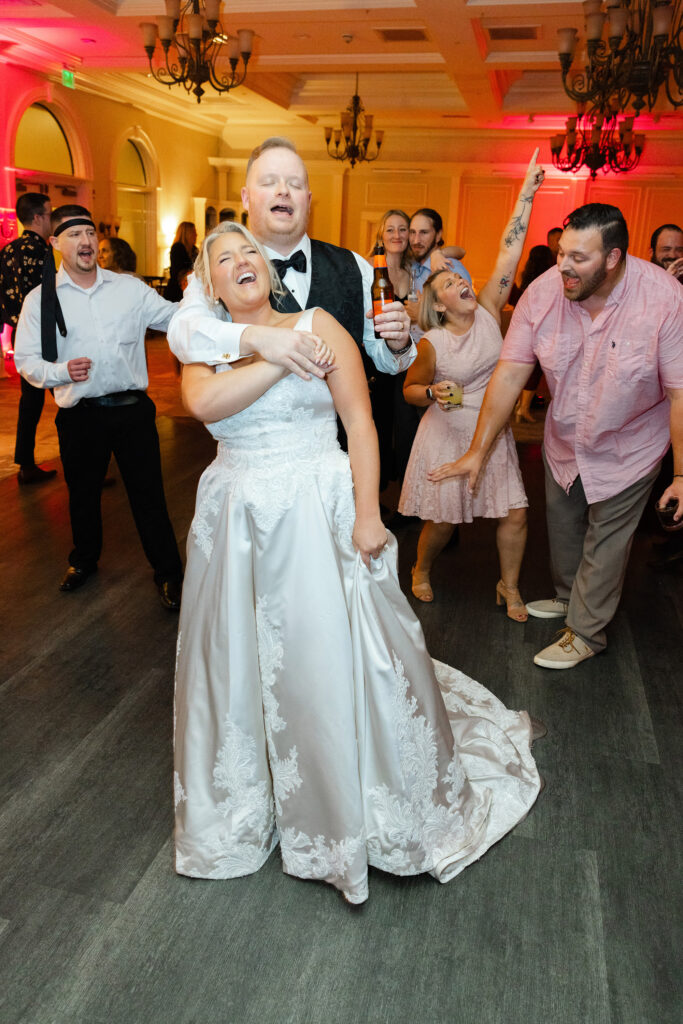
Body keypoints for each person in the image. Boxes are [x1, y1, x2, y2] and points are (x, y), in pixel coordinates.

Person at [172, 220, 541, 904]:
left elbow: (361, 420)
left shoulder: (319, 321)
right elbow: (200, 402)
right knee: (239, 657)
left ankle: (342, 799)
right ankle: (257, 797)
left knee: (322, 653)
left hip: (318, 504)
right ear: (212, 285)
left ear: (269, 267)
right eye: (225, 258)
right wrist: (276, 353)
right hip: (235, 516)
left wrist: (369, 512)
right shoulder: (204, 341)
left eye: (249, 249)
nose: (241, 259)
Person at [430, 203, 683, 669]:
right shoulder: (543, 293)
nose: (563, 265)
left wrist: (682, 475)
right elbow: (509, 374)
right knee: (564, 524)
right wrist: (476, 450)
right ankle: (570, 599)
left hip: (632, 443)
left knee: (607, 537)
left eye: (579, 258)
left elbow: (680, 391)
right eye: (562, 252)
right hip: (564, 436)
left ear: (612, 258)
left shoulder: (664, 299)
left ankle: (586, 632)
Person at [14, 204, 184, 610]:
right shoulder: (41, 299)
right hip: (80, 416)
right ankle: (84, 560)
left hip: (133, 411)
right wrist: (60, 371)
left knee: (150, 497)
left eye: (89, 233)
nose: (85, 241)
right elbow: (26, 360)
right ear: (55, 243)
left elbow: (174, 318)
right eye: (74, 235)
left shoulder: (129, 288)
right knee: (82, 495)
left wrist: (202, 294)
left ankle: (169, 575)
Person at [398, 151, 545, 616]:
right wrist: (431, 392)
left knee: (515, 511)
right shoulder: (432, 343)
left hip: (491, 428)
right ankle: (421, 569)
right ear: (438, 305)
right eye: (446, 283)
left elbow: (510, 251)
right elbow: (410, 390)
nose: (459, 281)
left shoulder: (488, 312)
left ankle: (510, 586)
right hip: (446, 434)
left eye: (459, 277)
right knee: (443, 522)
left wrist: (527, 192)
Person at [167, 138, 413, 379]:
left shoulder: (355, 266)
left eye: (295, 184)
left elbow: (387, 361)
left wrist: (397, 342)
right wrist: (254, 338)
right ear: (245, 198)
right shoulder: (219, 271)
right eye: (269, 182)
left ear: (307, 201)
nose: (283, 191)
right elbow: (182, 334)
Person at [0, 192, 57, 484]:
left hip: (22, 337)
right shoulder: (42, 252)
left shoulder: (8, 251)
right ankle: (85, 466)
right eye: (49, 214)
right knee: (69, 398)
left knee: (30, 402)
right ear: (38, 217)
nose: (52, 219)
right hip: (46, 338)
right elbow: (50, 298)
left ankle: (26, 463)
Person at [405, 209, 470, 343]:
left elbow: (466, 321)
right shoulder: (412, 265)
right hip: (412, 350)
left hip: (440, 355)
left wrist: (422, 315)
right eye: (412, 232)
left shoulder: (451, 269)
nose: (416, 240)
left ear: (438, 235)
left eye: (424, 232)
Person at [509, 244, 555, 424]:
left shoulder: (524, 277)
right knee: (534, 370)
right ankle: (523, 408)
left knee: (520, 368)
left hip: (519, 327)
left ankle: (519, 405)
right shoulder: (549, 279)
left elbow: (514, 300)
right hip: (539, 328)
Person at [165, 221, 198, 302]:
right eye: (193, 232)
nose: (196, 235)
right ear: (187, 234)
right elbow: (180, 271)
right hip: (177, 291)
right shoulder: (177, 248)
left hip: (189, 289)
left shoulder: (194, 250)